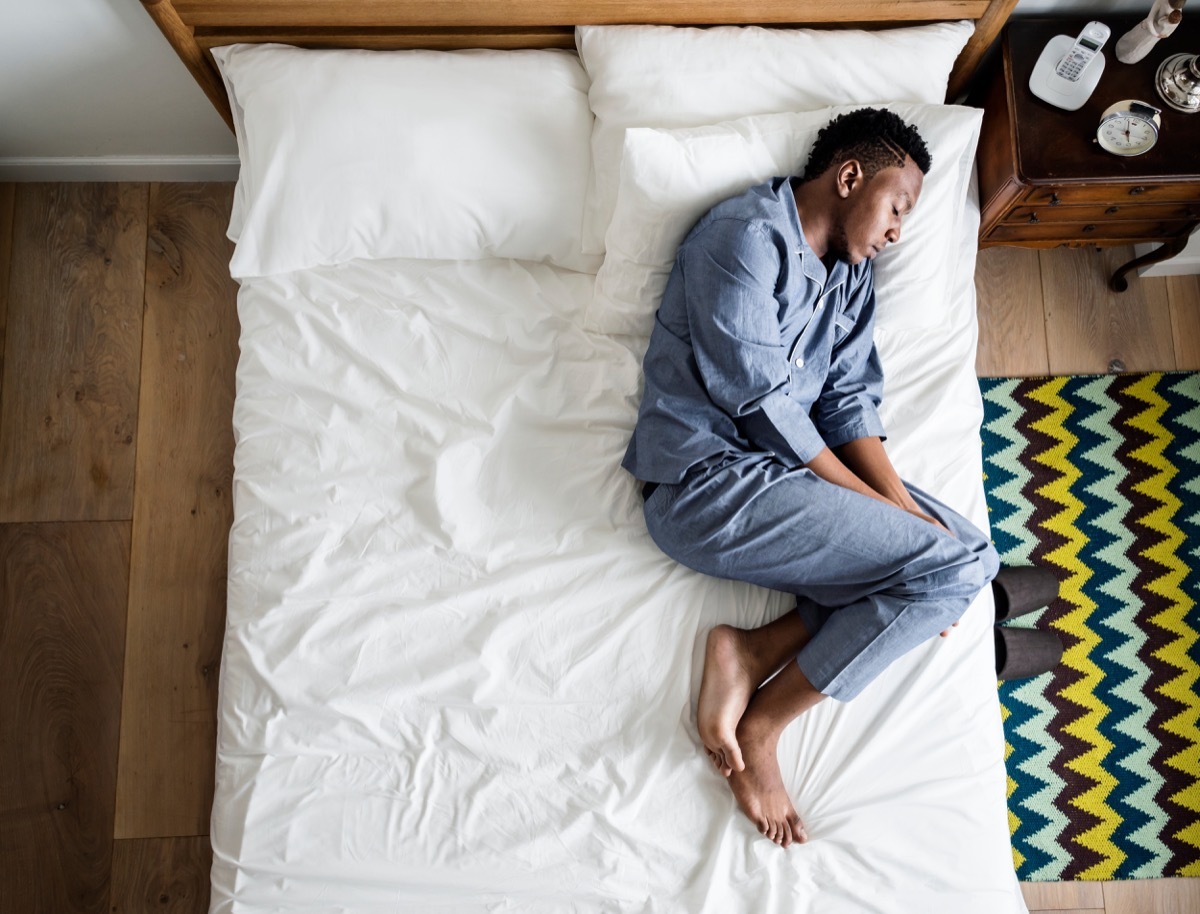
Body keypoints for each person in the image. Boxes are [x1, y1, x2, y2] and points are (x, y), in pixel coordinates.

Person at [622, 108, 1000, 849]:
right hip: (708, 485)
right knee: (945, 571)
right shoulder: (743, 236)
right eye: (898, 206)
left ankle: (751, 651)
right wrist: (889, 523)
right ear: (850, 175)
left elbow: (848, 401)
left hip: (780, 482)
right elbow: (761, 404)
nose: (898, 231)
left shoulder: (853, 281)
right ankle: (762, 725)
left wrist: (902, 516)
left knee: (971, 559)